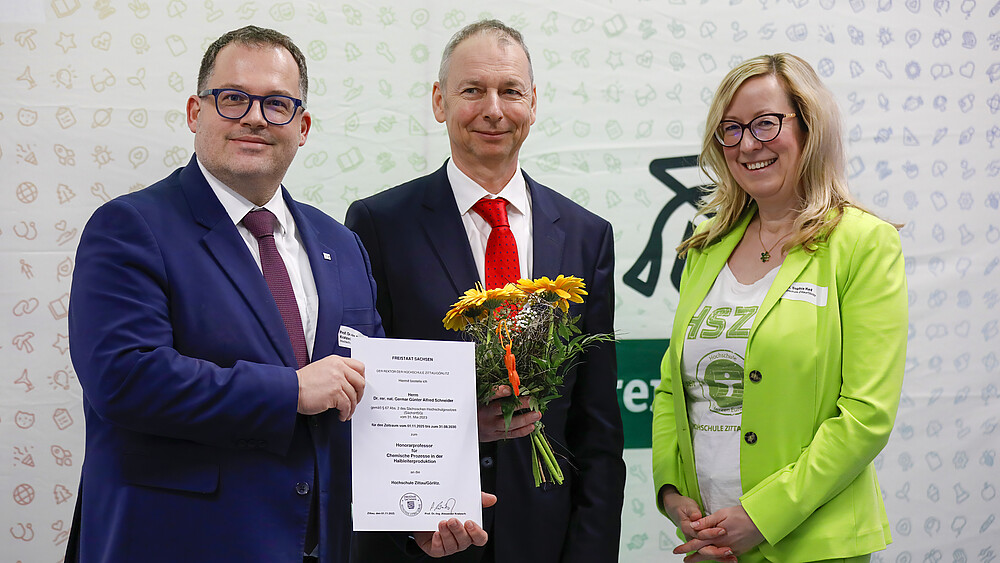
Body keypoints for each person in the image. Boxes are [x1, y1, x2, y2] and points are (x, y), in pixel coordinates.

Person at [67, 25, 489, 563]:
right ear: (196, 112)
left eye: (277, 104)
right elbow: (124, 378)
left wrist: (414, 512)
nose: (254, 117)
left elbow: (368, 400)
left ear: (302, 126)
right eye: (233, 98)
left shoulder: (342, 245)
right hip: (178, 544)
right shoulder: (131, 226)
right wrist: (289, 390)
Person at [346, 19, 625, 563]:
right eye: (472, 90)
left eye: (510, 91)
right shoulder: (378, 225)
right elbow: (368, 402)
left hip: (547, 538)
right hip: (424, 536)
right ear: (440, 101)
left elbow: (597, 424)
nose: (493, 110)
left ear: (533, 103)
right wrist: (404, 530)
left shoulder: (586, 235)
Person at [651, 53, 908, 562]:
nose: (748, 144)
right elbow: (671, 387)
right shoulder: (705, 246)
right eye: (731, 129)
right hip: (711, 541)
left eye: (766, 123)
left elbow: (866, 415)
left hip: (815, 544)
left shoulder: (863, 243)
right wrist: (672, 493)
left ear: (810, 127)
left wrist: (761, 517)